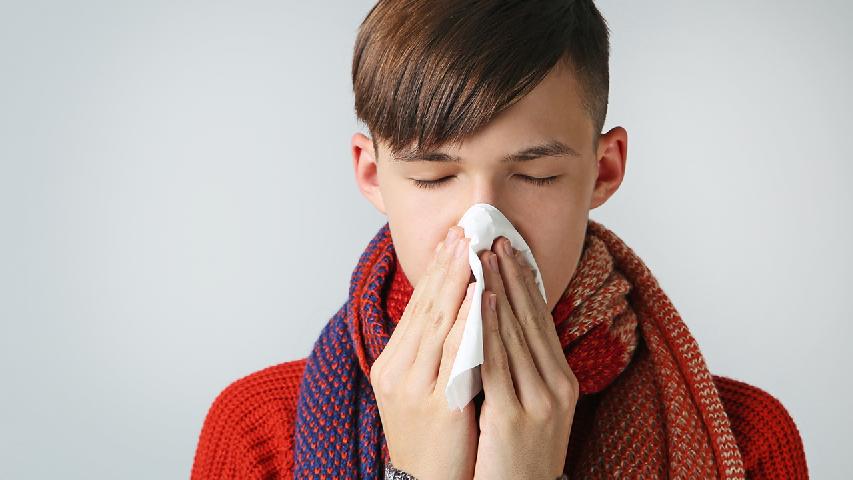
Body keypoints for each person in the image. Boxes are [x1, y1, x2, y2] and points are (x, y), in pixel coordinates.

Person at [191, 1, 808, 478]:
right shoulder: (259, 435)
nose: (483, 228)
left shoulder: (745, 441)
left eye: (536, 176)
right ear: (373, 176)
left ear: (606, 169)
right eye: (434, 178)